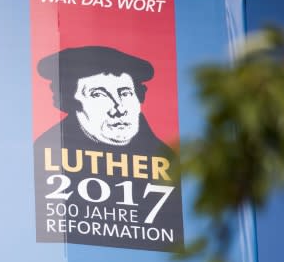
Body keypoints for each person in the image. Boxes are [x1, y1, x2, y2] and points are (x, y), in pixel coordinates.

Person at [33, 46, 183, 251]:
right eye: (99, 95)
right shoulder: (45, 150)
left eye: (125, 93)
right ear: (71, 102)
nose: (118, 108)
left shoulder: (165, 158)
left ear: (139, 99)